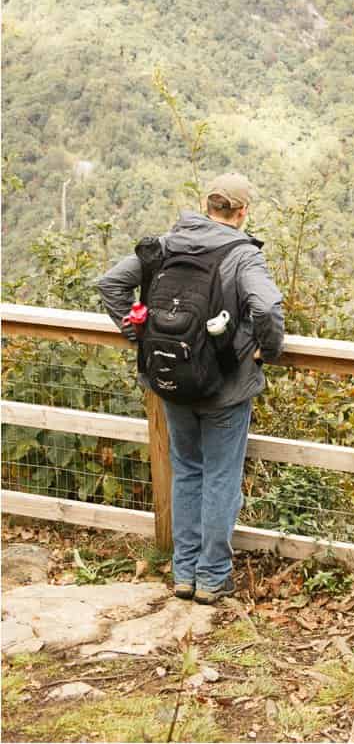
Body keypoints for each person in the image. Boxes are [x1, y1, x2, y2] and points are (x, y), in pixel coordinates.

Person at [97, 173, 284, 603]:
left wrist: (138, 334)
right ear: (241, 212)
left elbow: (111, 285)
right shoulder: (242, 255)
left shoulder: (166, 244)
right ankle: (213, 577)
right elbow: (268, 308)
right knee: (220, 477)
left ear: (206, 205)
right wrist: (263, 352)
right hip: (225, 387)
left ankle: (184, 574)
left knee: (187, 472)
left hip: (171, 380)